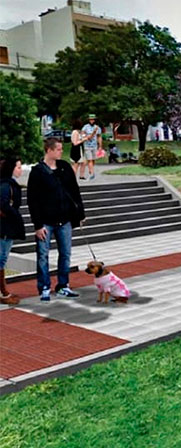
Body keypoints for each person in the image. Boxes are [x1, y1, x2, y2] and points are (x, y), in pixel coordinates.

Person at [27, 138, 86, 301]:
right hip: (45, 221)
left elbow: (74, 191)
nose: (61, 152)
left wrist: (80, 213)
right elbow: (32, 200)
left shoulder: (65, 167)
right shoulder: (37, 172)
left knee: (65, 254)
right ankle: (44, 287)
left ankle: (63, 285)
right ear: (49, 150)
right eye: (58, 149)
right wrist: (38, 225)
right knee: (43, 255)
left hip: (64, 219)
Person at [0, 158, 25, 305]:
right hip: (4, 227)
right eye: (18, 167)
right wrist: (14, 215)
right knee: (1, 259)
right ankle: (3, 293)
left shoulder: (8, 184)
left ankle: (3, 292)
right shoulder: (6, 186)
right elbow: (4, 205)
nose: (21, 170)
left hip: (7, 226)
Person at [81, 114, 102, 180]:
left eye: (93, 119)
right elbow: (83, 135)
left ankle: (91, 170)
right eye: (90, 119)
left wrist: (100, 146)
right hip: (87, 146)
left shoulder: (97, 127)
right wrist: (85, 136)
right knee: (89, 159)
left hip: (94, 146)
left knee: (93, 159)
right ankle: (92, 173)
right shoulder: (85, 127)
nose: (92, 121)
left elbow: (99, 137)